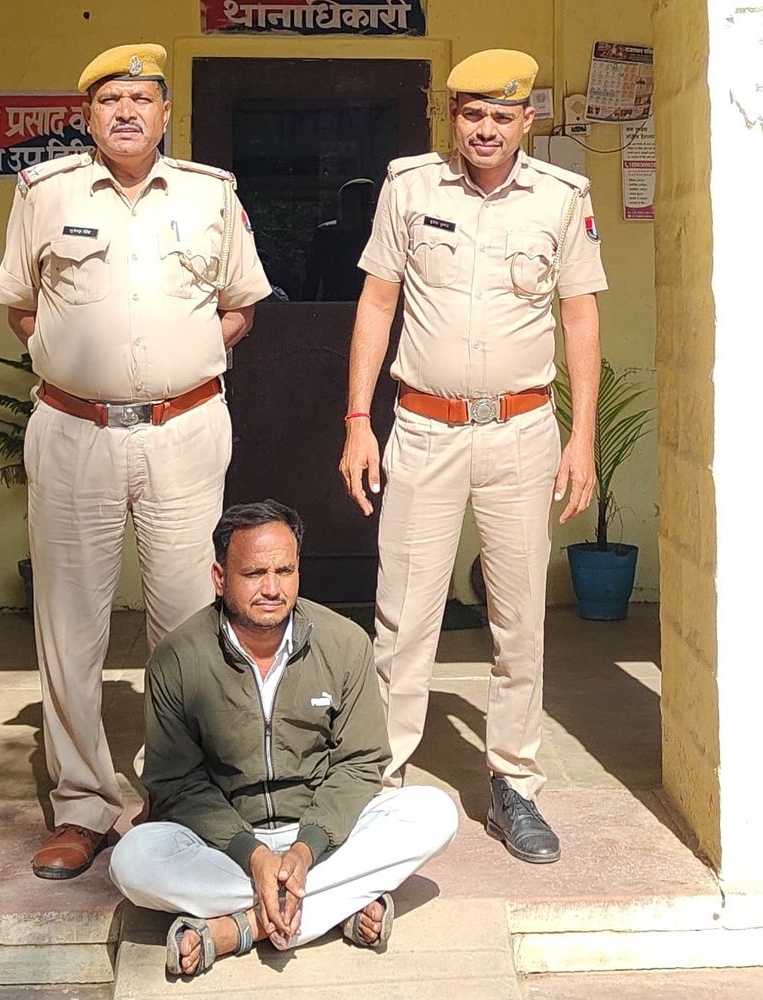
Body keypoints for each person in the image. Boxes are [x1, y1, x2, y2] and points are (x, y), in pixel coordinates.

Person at [0, 43, 271, 879]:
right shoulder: (45, 192)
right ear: (88, 116)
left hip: (183, 431)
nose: (126, 112)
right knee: (70, 622)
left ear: (165, 114)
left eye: (142, 99)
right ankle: (83, 805)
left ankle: (177, 799)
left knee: (187, 622)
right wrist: (80, 364)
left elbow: (240, 307)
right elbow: (22, 307)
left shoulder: (212, 194)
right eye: (110, 100)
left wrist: (178, 362)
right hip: (75, 432)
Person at [338, 49, 607, 864]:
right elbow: (377, 302)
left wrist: (582, 437)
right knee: (403, 616)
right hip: (423, 428)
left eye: (501, 115)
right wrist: (358, 420)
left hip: (522, 433)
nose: (485, 129)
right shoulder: (410, 187)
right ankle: (381, 782)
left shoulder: (562, 197)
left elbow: (580, 317)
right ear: (452, 117)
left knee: (520, 618)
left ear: (527, 120)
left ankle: (514, 783)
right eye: (471, 114)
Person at [109, 500, 458, 976]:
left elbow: (360, 765)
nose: (272, 588)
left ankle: (243, 927)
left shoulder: (344, 643)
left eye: (285, 571)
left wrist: (305, 849)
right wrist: (252, 855)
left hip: (322, 837)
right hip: (225, 845)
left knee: (433, 813)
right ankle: (337, 904)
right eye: (254, 573)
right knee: (132, 860)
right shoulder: (178, 659)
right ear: (219, 577)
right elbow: (176, 784)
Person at [301, 178, 377, 301]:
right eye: (349, 204)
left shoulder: (377, 233)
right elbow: (312, 277)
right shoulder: (327, 235)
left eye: (366, 204)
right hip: (333, 305)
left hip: (372, 303)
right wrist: (306, 308)